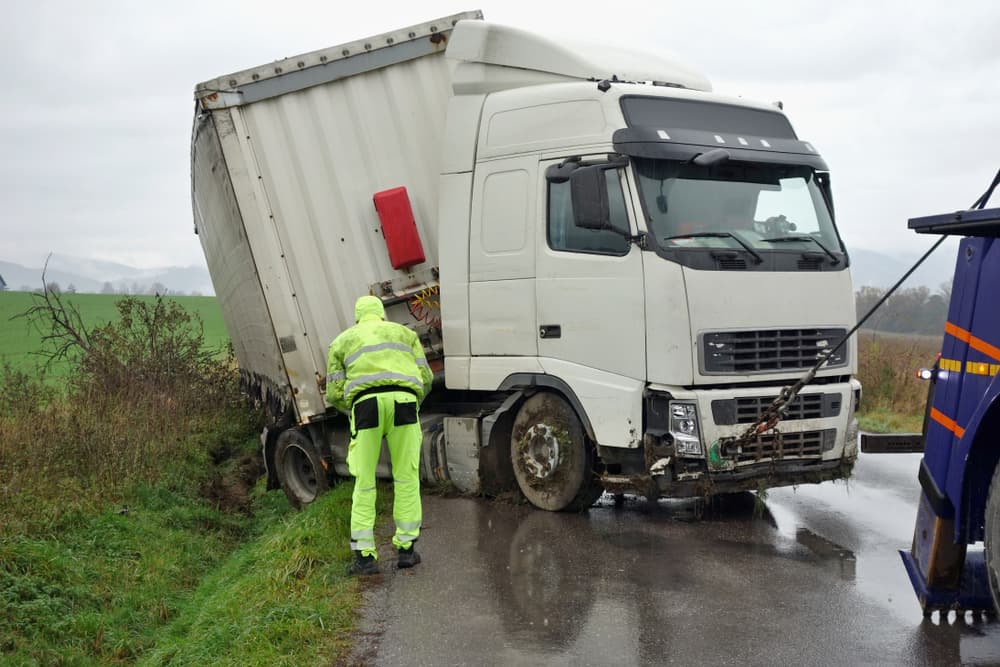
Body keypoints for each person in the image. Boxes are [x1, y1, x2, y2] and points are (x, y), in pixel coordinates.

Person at [326, 295, 433, 575]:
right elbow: (426, 377)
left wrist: (351, 409)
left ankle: (364, 557)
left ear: (358, 316)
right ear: (382, 314)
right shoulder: (405, 334)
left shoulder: (342, 341)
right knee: (407, 477)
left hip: (366, 407)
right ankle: (407, 551)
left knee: (364, 480)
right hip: (405, 402)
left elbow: (333, 393)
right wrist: (413, 400)